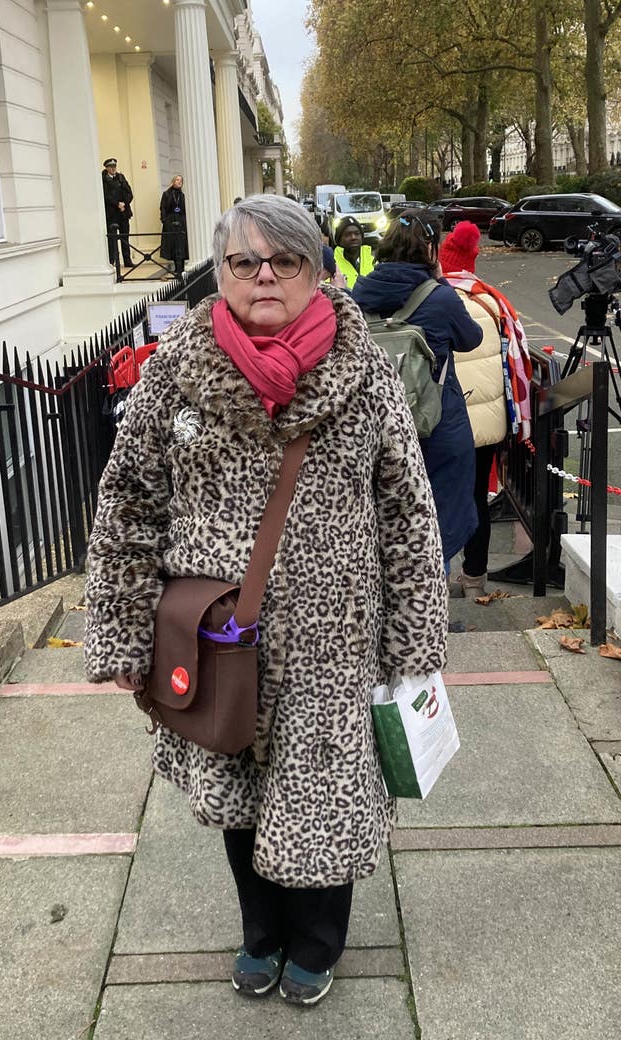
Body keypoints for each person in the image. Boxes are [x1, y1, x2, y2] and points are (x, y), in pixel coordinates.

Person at [84, 195, 447, 1007]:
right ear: (223, 273)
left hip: (335, 638)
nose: (264, 278)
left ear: (317, 272)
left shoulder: (366, 375)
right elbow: (129, 505)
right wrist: (119, 631)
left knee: (327, 794)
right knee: (240, 791)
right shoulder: (174, 372)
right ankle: (262, 933)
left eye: (285, 261)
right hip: (218, 636)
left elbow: (406, 508)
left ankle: (317, 942)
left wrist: (414, 635)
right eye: (245, 263)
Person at [352, 213, 482, 571]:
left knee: (387, 515)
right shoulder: (440, 299)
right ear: (429, 248)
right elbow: (472, 338)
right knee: (439, 516)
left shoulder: (360, 293)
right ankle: (430, 609)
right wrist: (442, 283)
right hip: (436, 422)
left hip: (377, 424)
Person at [439, 221, 532, 595]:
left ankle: (438, 574)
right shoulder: (492, 300)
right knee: (477, 495)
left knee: (437, 493)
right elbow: (515, 360)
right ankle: (475, 576)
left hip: (446, 419)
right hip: (487, 420)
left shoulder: (434, 298)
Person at [102, 158, 134, 268]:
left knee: (125, 237)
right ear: (106, 168)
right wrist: (117, 204)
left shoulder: (121, 178)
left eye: (114, 166)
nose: (113, 168)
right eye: (111, 167)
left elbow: (129, 193)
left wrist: (124, 203)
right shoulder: (103, 180)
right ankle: (113, 260)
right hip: (112, 214)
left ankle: (127, 260)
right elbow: (106, 197)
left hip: (123, 212)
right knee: (112, 239)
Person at [333, 216, 375, 288]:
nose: (353, 237)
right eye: (347, 234)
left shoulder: (373, 259)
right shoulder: (332, 263)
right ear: (339, 240)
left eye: (357, 233)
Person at [160, 175, 189, 276]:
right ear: (173, 181)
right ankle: (177, 267)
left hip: (181, 222)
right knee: (173, 245)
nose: (179, 182)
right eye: (177, 180)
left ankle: (182, 266)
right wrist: (164, 220)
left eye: (181, 180)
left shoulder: (182, 195)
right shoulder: (167, 194)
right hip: (170, 222)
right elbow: (163, 208)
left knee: (181, 244)